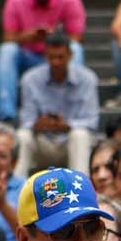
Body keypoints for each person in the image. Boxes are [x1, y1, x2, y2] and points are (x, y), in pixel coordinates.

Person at [0, 0, 87, 121]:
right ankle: (7, 113)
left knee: (76, 49)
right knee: (7, 50)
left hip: (58, 55)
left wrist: (55, 39)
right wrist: (29, 36)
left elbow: (76, 38)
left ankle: (74, 111)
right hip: (29, 56)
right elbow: (8, 38)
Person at [14, 32, 100, 177]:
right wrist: (38, 124)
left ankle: (79, 191)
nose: (56, 62)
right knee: (22, 136)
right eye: (51, 57)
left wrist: (68, 125)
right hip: (42, 144)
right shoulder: (30, 79)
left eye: (60, 57)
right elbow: (25, 120)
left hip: (71, 144)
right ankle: (14, 193)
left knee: (80, 135)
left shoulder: (88, 79)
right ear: (45, 56)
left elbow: (92, 121)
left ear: (70, 55)